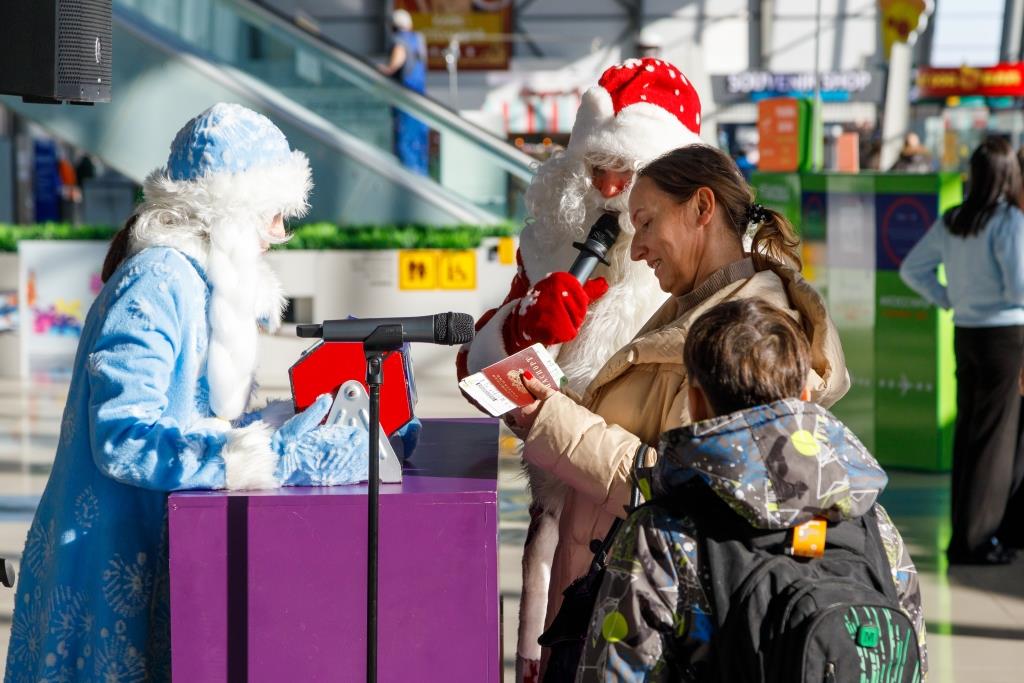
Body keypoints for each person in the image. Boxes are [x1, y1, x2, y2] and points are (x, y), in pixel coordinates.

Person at [5, 103, 370, 682]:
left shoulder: (198, 283)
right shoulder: (159, 280)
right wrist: (266, 457)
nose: (281, 232)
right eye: (271, 213)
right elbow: (124, 437)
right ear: (224, 209)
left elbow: (189, 417)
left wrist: (276, 423)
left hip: (151, 555)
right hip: (103, 570)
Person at [510, 143, 850, 673]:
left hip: (654, 621)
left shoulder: (746, 333)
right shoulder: (690, 307)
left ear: (701, 208)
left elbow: (691, 485)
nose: (638, 248)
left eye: (646, 222)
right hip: (613, 596)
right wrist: (556, 405)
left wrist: (555, 423)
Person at [456, 57, 704, 682]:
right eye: (597, 170)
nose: (610, 192)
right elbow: (477, 379)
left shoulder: (711, 283)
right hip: (555, 542)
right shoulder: (548, 252)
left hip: (650, 552)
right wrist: (521, 328)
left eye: (628, 172)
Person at [576, 298, 927, 681]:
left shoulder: (665, 533)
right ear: (803, 397)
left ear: (695, 401)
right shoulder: (869, 519)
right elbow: (910, 658)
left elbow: (617, 671)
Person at [900, 135, 1024, 564]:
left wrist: (950, 298)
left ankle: (963, 537)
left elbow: (912, 268)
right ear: (1009, 175)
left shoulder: (954, 219)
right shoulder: (1009, 221)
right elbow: (1018, 286)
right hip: (1008, 338)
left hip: (966, 332)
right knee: (997, 439)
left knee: (971, 436)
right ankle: (980, 541)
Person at [378, 9, 430, 175]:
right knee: (419, 141)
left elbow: (398, 58)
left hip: (404, 96)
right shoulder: (418, 39)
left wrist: (387, 70)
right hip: (419, 95)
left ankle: (408, 178)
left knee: (406, 141)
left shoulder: (399, 40)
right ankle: (421, 177)